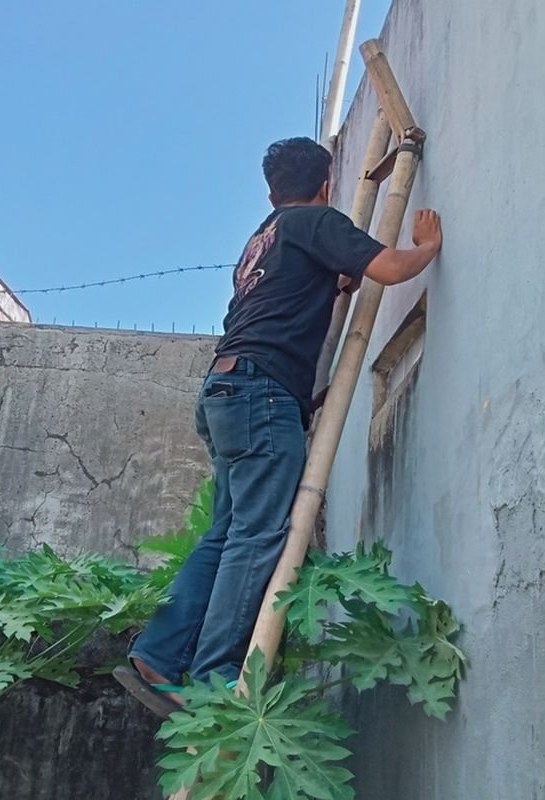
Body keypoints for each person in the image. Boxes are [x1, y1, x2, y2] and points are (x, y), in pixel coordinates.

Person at [113, 136, 442, 717]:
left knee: (226, 533)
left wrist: (336, 283)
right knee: (256, 538)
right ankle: (213, 679)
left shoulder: (261, 239)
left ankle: (159, 653)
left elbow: (284, 300)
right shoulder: (317, 221)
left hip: (224, 389)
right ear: (326, 184)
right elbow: (388, 268)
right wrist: (425, 247)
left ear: (271, 191)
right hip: (261, 394)